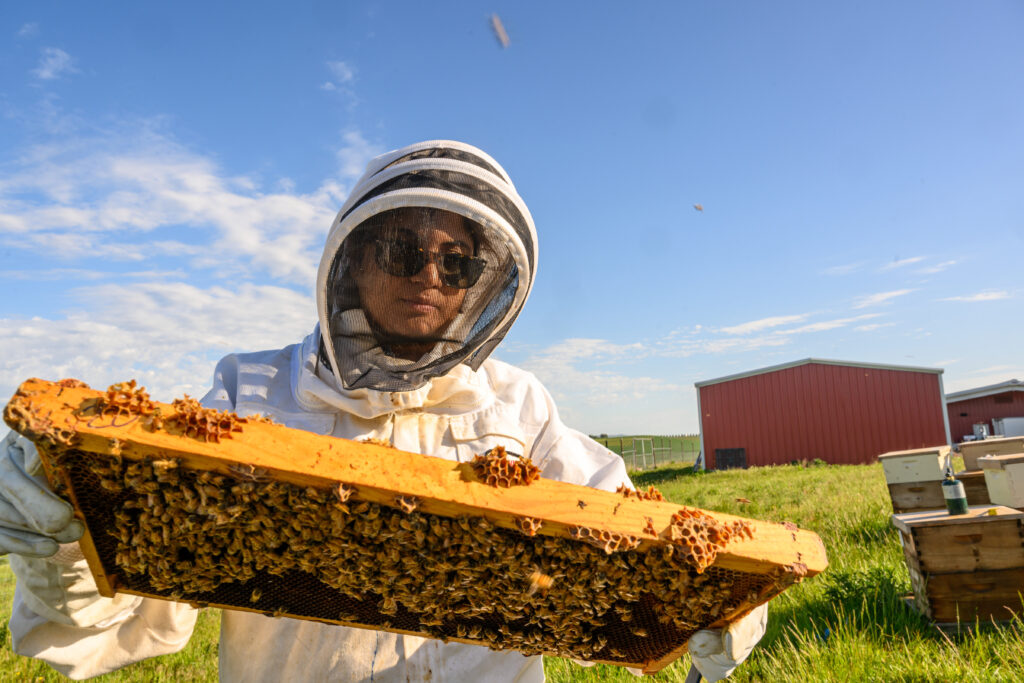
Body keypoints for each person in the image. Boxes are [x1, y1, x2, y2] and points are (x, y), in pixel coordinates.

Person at [0, 140, 766, 681]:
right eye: (403, 250)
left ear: (480, 280)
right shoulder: (248, 396)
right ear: (355, 258)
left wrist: (716, 596)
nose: (428, 274)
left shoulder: (519, 405)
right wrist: (55, 549)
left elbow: (635, 537)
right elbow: (120, 627)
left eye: (455, 260)